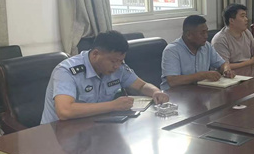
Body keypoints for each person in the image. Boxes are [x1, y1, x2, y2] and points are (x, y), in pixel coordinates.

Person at [40, 31, 169, 124]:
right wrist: (113, 105)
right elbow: (65, 111)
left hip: (94, 126)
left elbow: (141, 86)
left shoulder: (118, 68)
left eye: (120, 61)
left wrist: (155, 92)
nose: (117, 66)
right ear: (95, 54)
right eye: (113, 61)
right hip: (57, 134)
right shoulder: (67, 71)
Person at [160, 15, 235, 91]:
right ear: (188, 35)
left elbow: (223, 64)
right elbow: (173, 81)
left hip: (198, 91)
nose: (206, 36)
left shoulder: (206, 46)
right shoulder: (172, 50)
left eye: (206, 32)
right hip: (174, 95)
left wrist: (226, 70)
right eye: (202, 33)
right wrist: (202, 75)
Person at [212, 3, 254, 69]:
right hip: (233, 74)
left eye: (246, 16)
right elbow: (224, 67)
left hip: (250, 71)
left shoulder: (246, 32)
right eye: (242, 16)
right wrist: (251, 61)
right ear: (231, 21)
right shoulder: (220, 40)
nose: (246, 19)